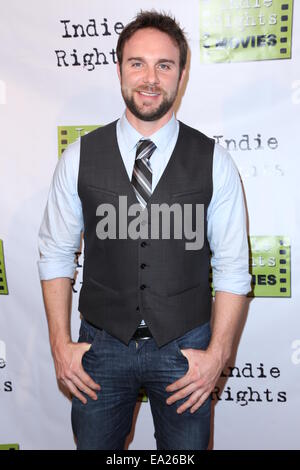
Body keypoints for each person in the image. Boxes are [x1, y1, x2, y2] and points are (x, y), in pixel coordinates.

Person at [38, 10, 251, 450]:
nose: (150, 78)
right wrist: (60, 344)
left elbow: (233, 268)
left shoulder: (215, 161)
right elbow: (56, 255)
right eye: (137, 63)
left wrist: (218, 356)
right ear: (119, 69)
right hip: (99, 347)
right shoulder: (79, 157)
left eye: (164, 65)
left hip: (185, 350)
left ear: (182, 73)